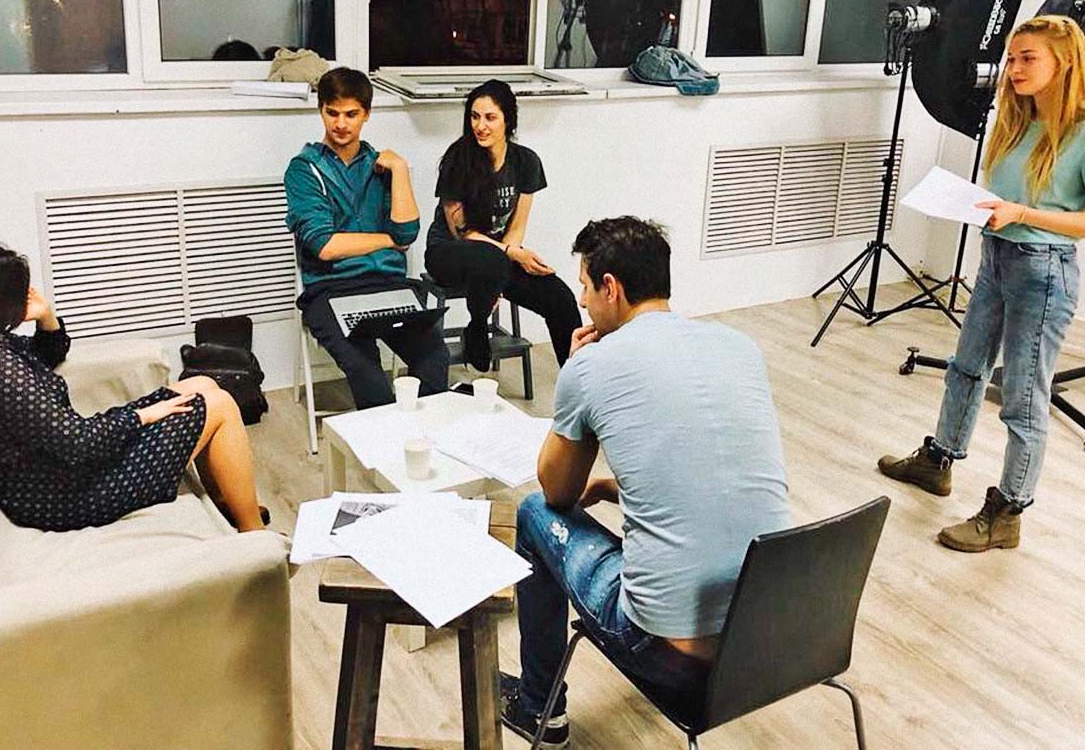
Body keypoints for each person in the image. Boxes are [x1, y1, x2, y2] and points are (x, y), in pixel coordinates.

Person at [499, 217, 791, 748]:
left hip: (669, 655)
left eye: (586, 288)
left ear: (610, 288)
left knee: (533, 513)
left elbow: (557, 492)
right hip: (772, 637)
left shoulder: (591, 366)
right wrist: (617, 488)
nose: (582, 302)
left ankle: (540, 708)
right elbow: (711, 466)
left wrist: (575, 372)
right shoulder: (739, 345)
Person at [879, 15, 1085, 553]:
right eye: (1012, 58)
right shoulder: (1017, 120)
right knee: (966, 367)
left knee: (1022, 397)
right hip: (996, 258)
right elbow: (1008, 199)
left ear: (1065, 62)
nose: (1013, 69)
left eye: (1027, 58)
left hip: (1044, 270)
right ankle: (939, 459)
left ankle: (1009, 511)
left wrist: (1024, 214)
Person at [0, 243, 267, 533]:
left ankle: (227, 504)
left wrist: (46, 316)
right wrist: (143, 415)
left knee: (202, 384)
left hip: (58, 474)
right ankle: (254, 535)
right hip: (68, 494)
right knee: (218, 404)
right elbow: (76, 441)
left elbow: (47, 355)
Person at [285, 67, 448, 409]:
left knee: (434, 356)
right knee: (367, 371)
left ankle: (421, 432)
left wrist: (400, 170)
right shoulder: (304, 169)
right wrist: (387, 240)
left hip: (388, 284)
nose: (340, 124)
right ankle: (386, 438)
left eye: (351, 114)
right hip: (330, 289)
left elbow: (407, 233)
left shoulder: (383, 165)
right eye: (332, 113)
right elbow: (325, 246)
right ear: (321, 110)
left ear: (367, 114)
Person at [425, 79, 581, 371]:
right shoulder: (457, 160)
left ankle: (578, 382)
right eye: (474, 117)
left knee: (560, 298)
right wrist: (508, 256)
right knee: (491, 260)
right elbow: (463, 232)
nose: (480, 126)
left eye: (490, 117)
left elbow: (517, 227)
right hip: (449, 254)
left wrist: (506, 260)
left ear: (508, 120)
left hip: (498, 257)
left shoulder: (526, 162)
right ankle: (477, 326)